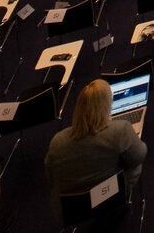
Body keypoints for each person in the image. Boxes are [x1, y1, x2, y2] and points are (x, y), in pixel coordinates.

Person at [44, 78, 146, 207]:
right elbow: (140, 155)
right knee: (135, 165)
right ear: (107, 106)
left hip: (71, 209)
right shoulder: (119, 130)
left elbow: (50, 177)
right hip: (109, 196)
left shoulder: (57, 141)